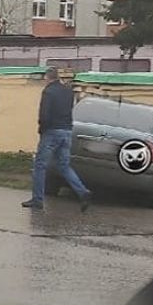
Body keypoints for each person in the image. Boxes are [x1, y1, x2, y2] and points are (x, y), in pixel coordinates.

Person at [22, 67, 91, 212]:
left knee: (40, 165)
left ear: (47, 77)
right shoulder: (68, 91)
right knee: (64, 165)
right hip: (67, 131)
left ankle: (37, 199)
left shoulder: (48, 92)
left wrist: (42, 129)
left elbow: (44, 115)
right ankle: (82, 191)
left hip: (51, 131)